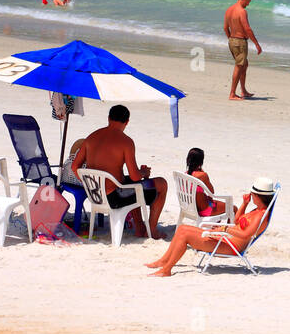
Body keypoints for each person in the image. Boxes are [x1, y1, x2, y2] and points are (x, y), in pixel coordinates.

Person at [70, 104, 168, 239]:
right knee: (161, 184)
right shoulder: (126, 142)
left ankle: (139, 227)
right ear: (127, 122)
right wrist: (144, 173)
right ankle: (151, 231)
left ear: (109, 118)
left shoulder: (91, 137)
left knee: (129, 184)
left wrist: (90, 184)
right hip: (115, 198)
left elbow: (75, 166)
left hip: (95, 195)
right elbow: (135, 177)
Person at [145, 178, 276, 276]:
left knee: (185, 235)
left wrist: (224, 229)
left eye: (252, 194)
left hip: (231, 246)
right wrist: (245, 203)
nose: (250, 195)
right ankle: (164, 261)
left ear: (259, 196)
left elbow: (246, 235)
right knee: (182, 229)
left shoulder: (260, 215)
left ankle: (167, 270)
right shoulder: (257, 210)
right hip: (225, 239)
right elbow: (237, 221)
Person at [224, 0, 261, 100]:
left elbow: (225, 28)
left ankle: (243, 91)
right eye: (248, 1)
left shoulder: (229, 9)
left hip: (232, 40)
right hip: (239, 42)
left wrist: (231, 39)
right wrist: (257, 44)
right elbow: (247, 29)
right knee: (239, 66)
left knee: (244, 65)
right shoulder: (242, 11)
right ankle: (232, 94)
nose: (248, 4)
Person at [185, 147, 224, 217]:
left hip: (190, 209)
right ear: (201, 161)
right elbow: (212, 192)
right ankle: (231, 228)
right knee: (233, 208)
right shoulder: (202, 175)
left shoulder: (185, 175)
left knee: (213, 202)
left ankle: (215, 226)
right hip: (204, 210)